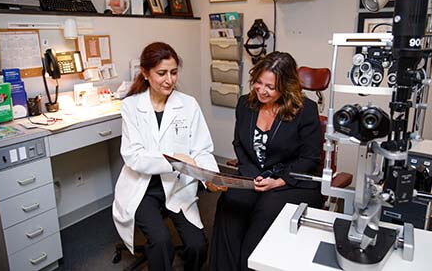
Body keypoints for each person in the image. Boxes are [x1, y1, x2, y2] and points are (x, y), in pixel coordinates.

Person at [209, 51, 323, 271]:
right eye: (258, 83)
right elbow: (239, 145)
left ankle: (247, 266)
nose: (262, 90)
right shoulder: (245, 104)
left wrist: (278, 181)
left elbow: (309, 158)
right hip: (254, 176)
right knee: (230, 203)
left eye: (270, 87)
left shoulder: (305, 111)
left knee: (265, 211)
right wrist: (252, 175)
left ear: (287, 86)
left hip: (290, 181)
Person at [112, 42, 218, 271]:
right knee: (161, 242)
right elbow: (134, 156)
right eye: (161, 73)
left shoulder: (188, 105)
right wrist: (176, 160)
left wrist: (210, 175)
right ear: (145, 73)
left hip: (177, 186)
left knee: (198, 246)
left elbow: (202, 149)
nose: (169, 79)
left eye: (173, 72)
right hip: (143, 188)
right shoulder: (131, 107)